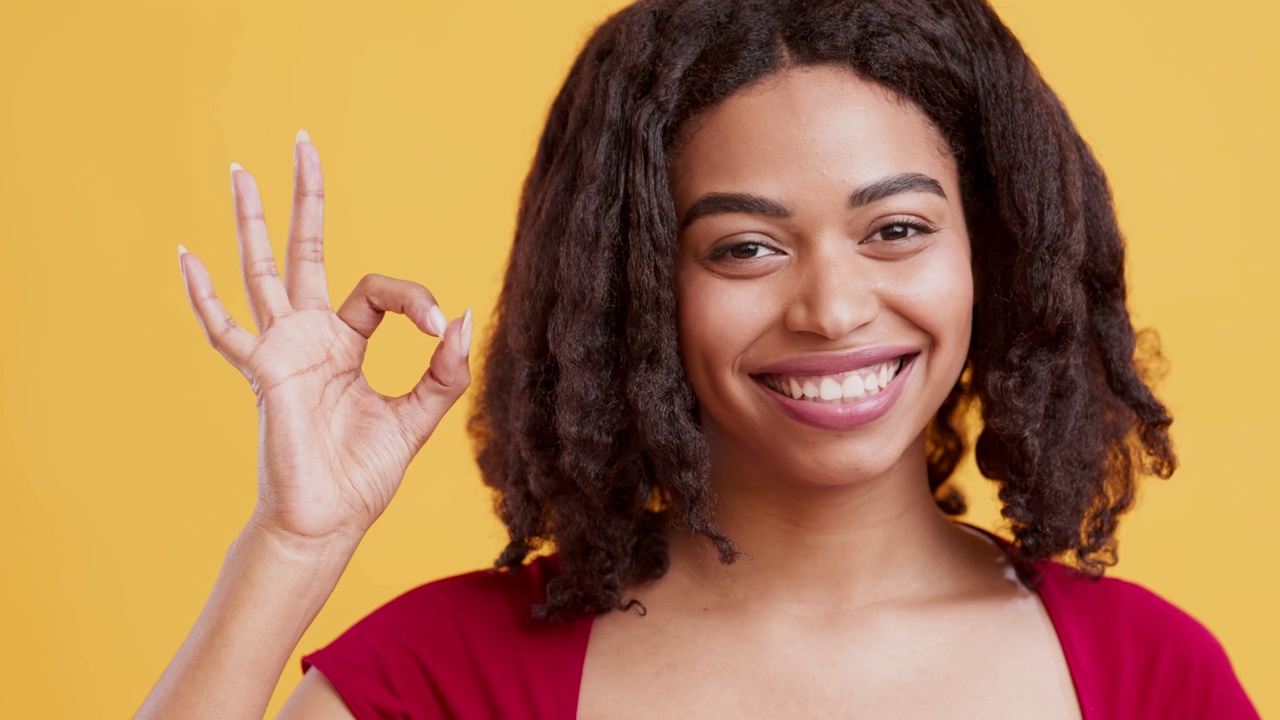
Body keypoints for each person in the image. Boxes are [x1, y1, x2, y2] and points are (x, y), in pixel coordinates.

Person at [137, 0, 1260, 718]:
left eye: (896, 230)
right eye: (744, 248)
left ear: (994, 253)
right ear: (637, 292)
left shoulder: (1143, 679)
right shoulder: (451, 680)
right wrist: (296, 541)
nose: (829, 307)